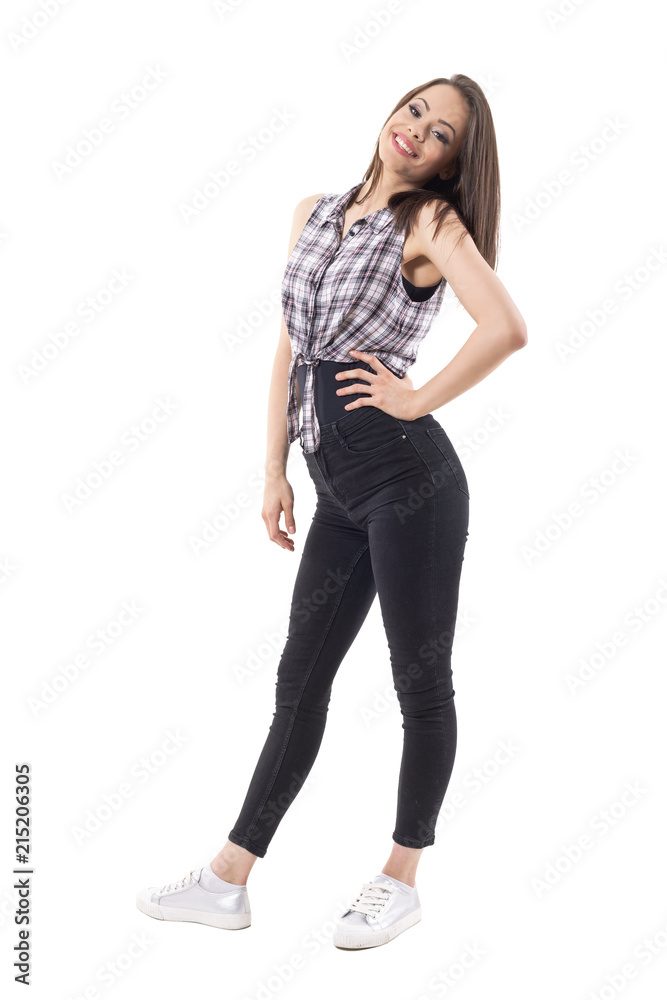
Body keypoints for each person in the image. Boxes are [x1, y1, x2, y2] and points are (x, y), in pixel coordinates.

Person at [136, 75, 527, 949]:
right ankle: (227, 880)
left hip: (409, 483)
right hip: (334, 489)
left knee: (418, 684)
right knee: (298, 683)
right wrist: (273, 468)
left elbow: (505, 326)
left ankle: (400, 879)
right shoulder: (314, 211)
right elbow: (289, 346)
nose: (417, 130)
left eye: (441, 133)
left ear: (451, 162)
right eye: (415, 109)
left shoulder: (430, 223)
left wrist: (415, 398)